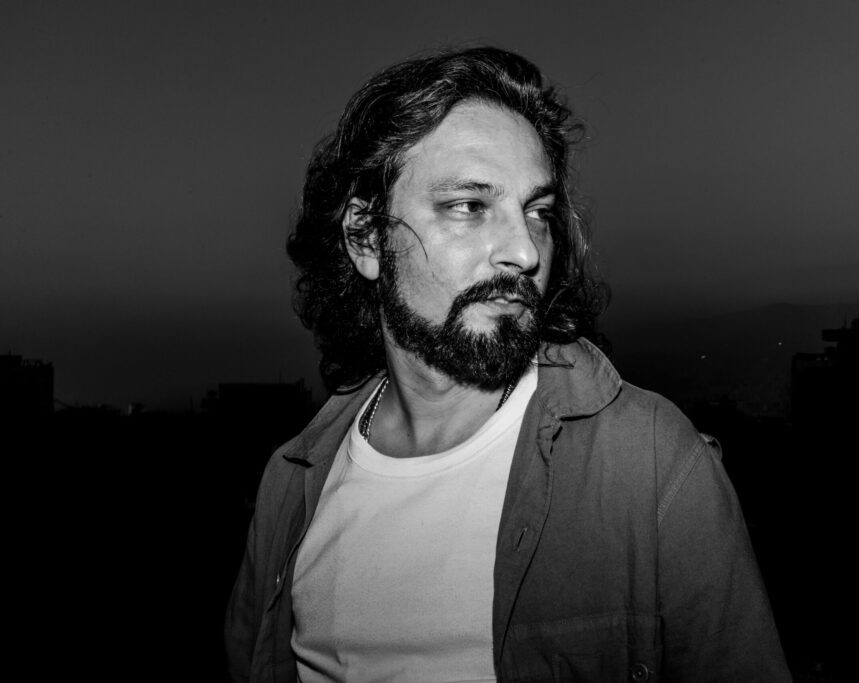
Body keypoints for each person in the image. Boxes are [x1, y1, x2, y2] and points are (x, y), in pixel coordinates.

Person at [225, 46, 790, 682]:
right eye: (469, 206)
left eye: (538, 212)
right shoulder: (291, 485)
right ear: (365, 236)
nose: (524, 251)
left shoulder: (650, 461)